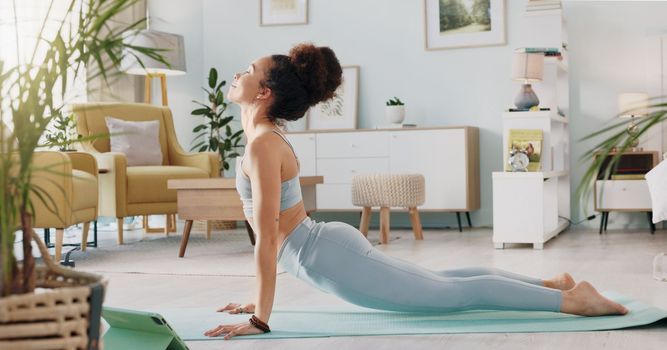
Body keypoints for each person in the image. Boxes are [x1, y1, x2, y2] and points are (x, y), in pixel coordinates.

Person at [204, 43, 628, 340]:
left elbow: (265, 240)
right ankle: (552, 284)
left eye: (249, 70)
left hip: (327, 257)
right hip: (325, 251)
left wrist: (260, 318)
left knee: (458, 293)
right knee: (447, 281)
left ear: (263, 92)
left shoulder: (262, 143)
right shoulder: (263, 137)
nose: (239, 73)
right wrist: (254, 302)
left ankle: (573, 301)